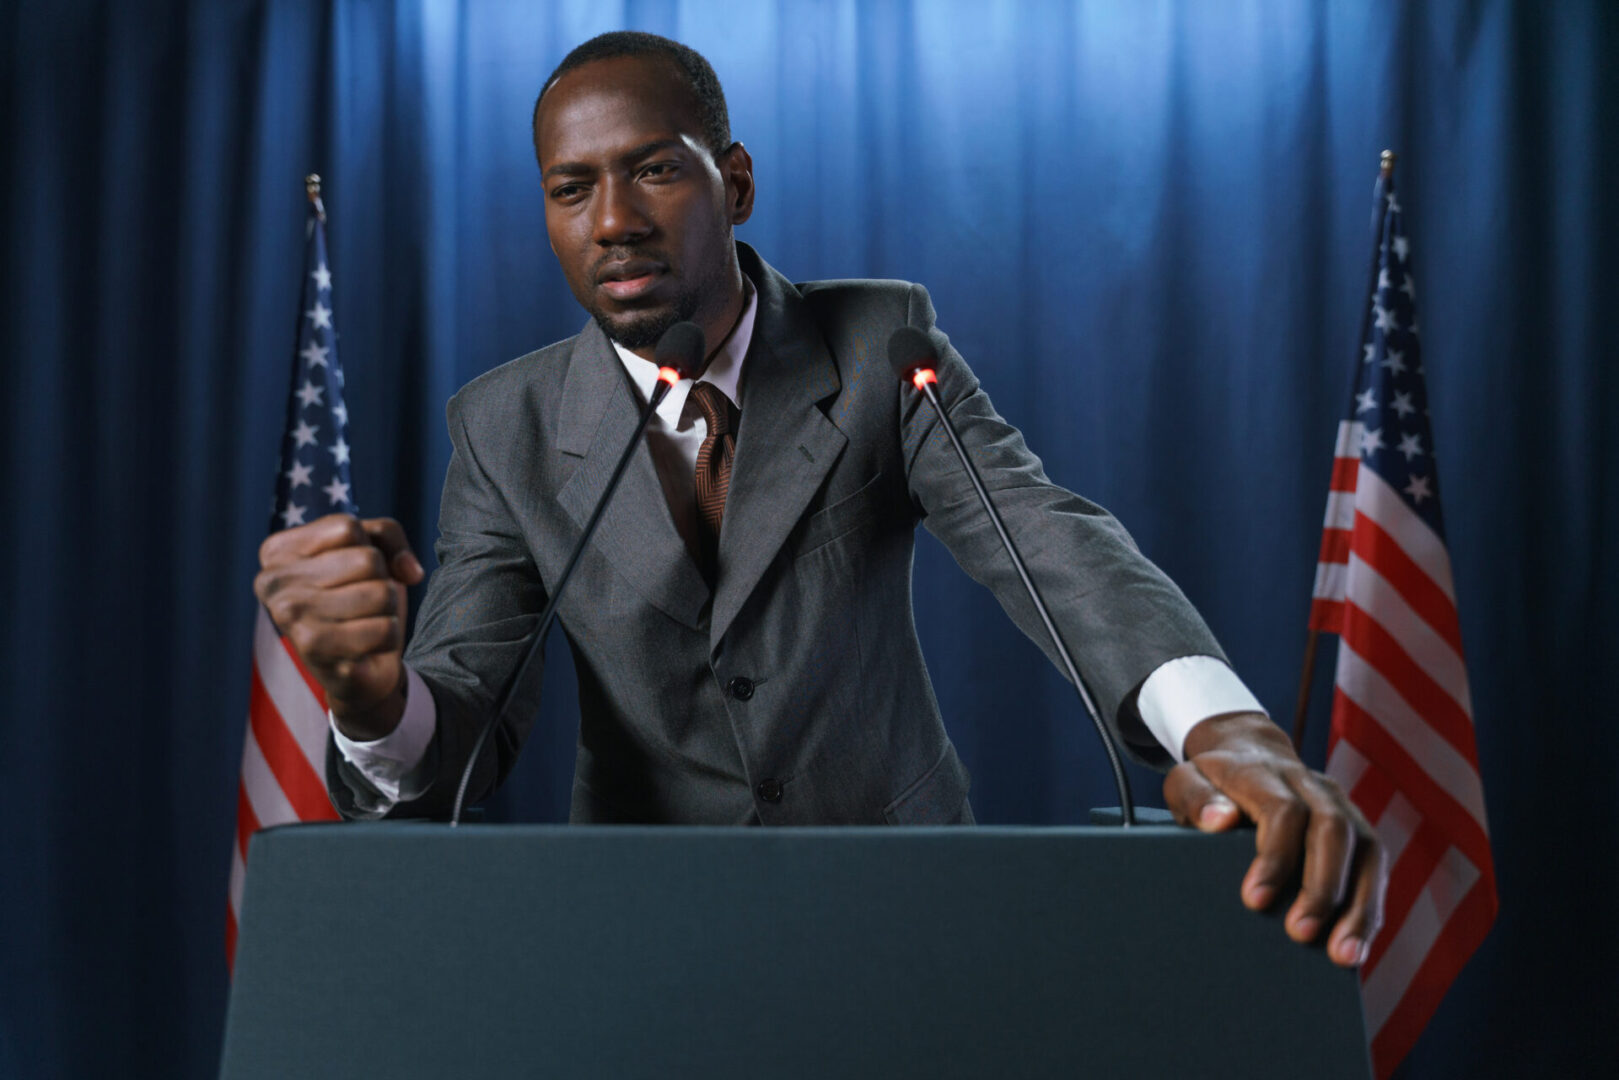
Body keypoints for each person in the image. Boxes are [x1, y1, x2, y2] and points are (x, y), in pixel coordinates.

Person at [254, 31, 1385, 968]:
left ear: (735, 182)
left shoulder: (882, 346)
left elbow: (1045, 537)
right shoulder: (502, 425)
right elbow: (460, 722)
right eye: (571, 188)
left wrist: (1225, 727)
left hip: (904, 913)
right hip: (639, 933)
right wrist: (370, 702)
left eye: (654, 170)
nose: (612, 221)